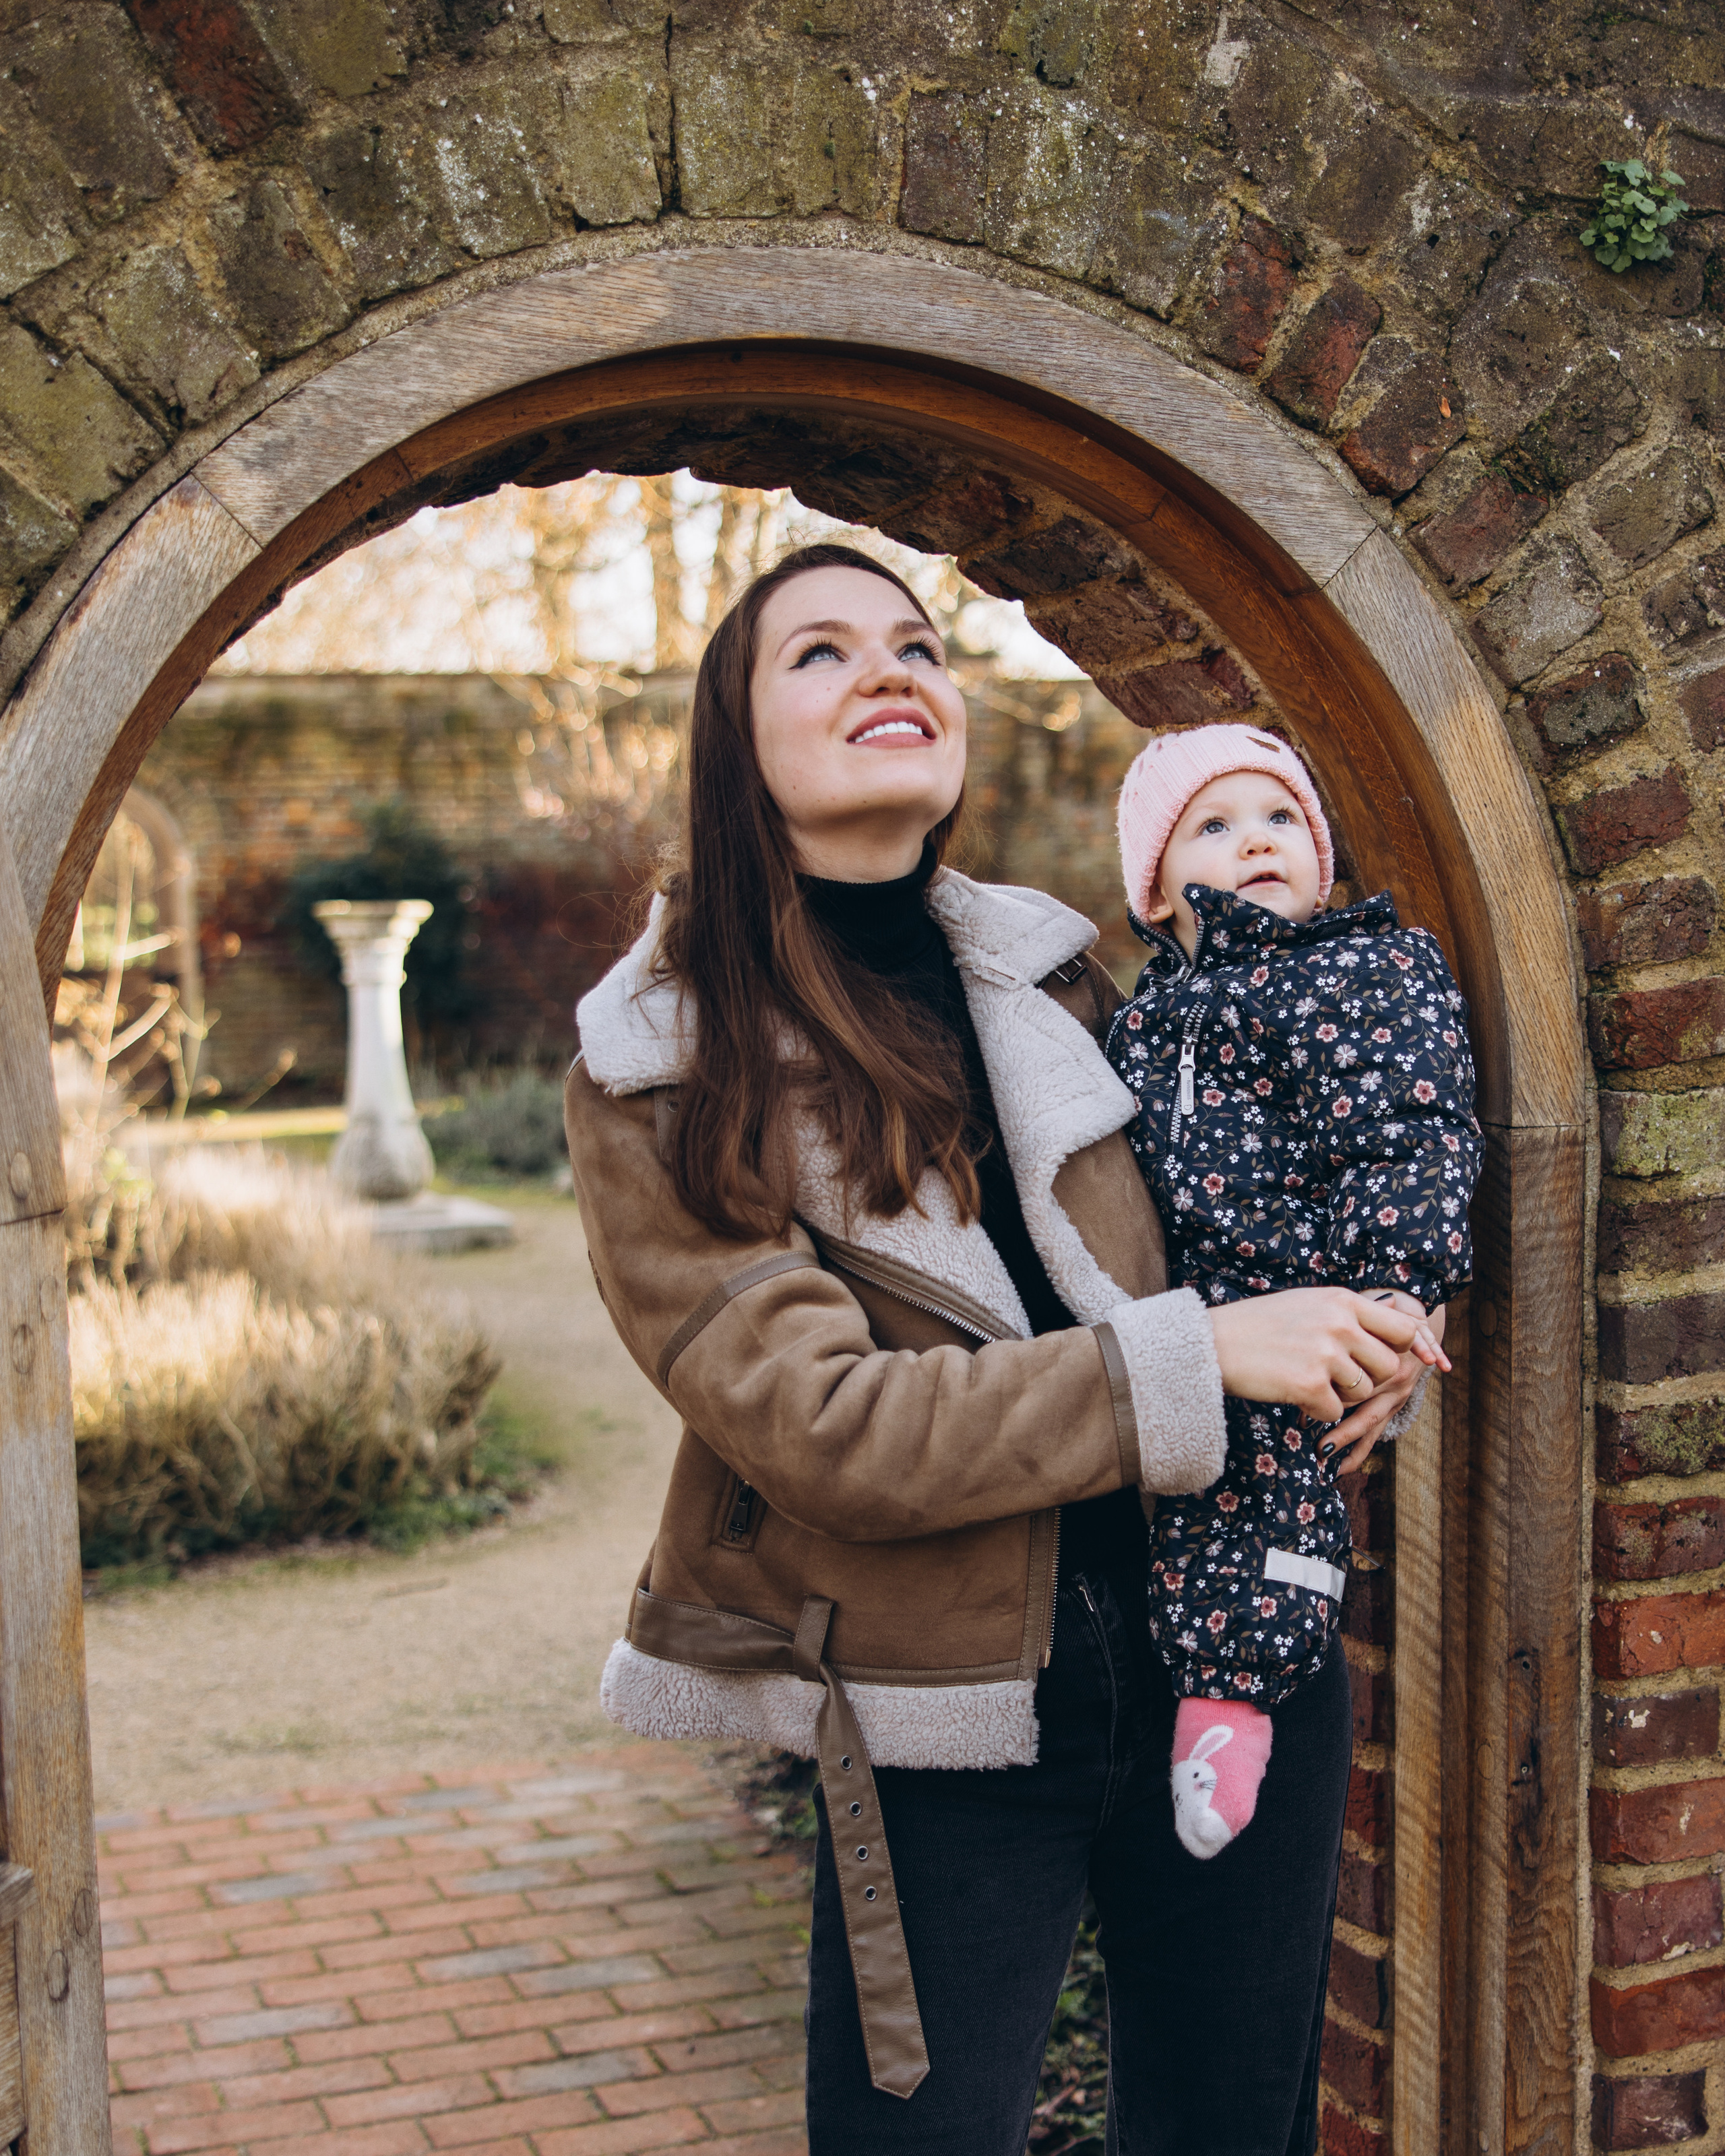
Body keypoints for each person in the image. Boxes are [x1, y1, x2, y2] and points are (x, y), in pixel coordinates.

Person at [565, 543, 1434, 2154]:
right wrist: (1209, 1357)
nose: (891, 670)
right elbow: (829, 1427)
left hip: (1219, 1650)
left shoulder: (1062, 972)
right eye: (818, 655)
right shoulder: (657, 1060)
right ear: (731, 746)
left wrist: (1368, 1324)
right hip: (937, 1707)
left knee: (1234, 2129)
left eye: (915, 643)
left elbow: (1253, 1216)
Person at [1104, 724, 1481, 1858]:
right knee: (1177, 1501)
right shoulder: (1146, 1015)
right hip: (1182, 1311)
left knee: (1272, 1502)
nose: (1256, 842)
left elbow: (1410, 1136)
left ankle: (1232, 1710)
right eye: (1212, 827)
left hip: (1299, 1289)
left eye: (1280, 819)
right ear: (1156, 897)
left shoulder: (1364, 972)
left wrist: (1401, 1294)